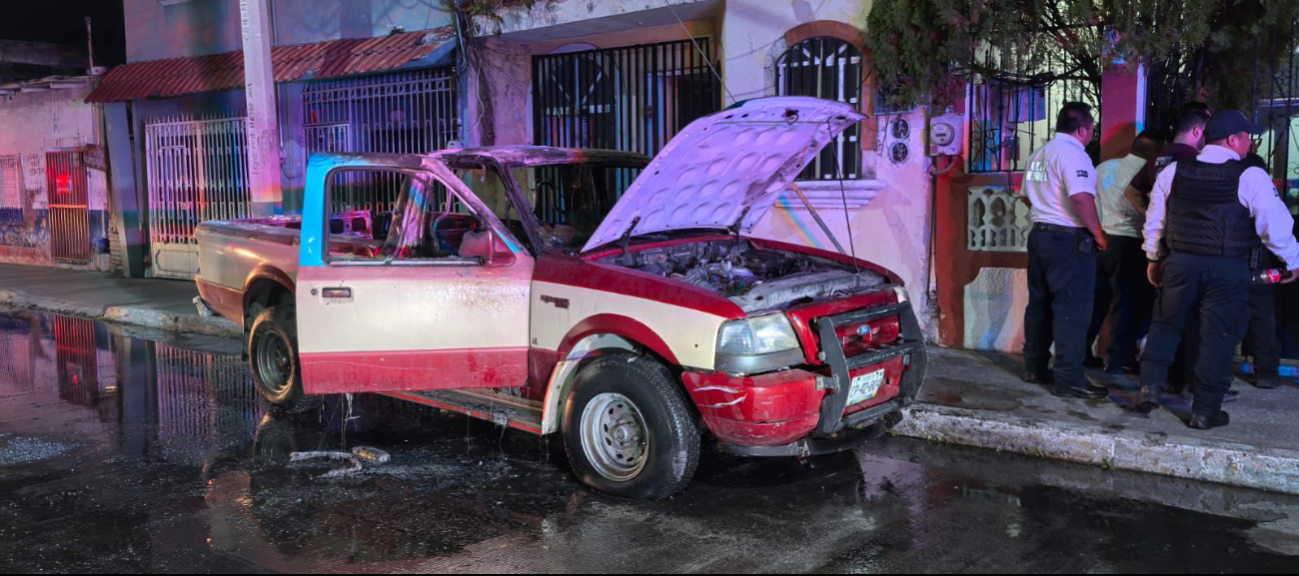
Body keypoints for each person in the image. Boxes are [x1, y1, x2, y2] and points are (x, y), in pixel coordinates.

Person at [1138, 110, 1299, 429]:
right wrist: (1292, 261)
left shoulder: (1173, 172)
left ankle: (1149, 389)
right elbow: (1275, 226)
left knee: (1166, 326)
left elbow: (1155, 219)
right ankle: (1204, 411)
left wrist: (1153, 258)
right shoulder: (1250, 175)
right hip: (1227, 269)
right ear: (1232, 139)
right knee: (1217, 336)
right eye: (1246, 138)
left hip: (1180, 263)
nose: (1249, 144)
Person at [1021, 102, 1110, 399]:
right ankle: (1069, 378)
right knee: (1072, 308)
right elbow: (1082, 199)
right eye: (1091, 129)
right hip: (1068, 241)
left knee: (1040, 303)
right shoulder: (1074, 155)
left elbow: (1025, 198)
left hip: (1040, 235)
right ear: (1083, 129)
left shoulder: (1039, 155)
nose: (1091, 134)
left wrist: (1047, 213)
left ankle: (1034, 366)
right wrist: (1098, 234)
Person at [1085, 131, 1161, 374]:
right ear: (1153, 153)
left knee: (1096, 302)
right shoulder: (1149, 172)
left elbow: (1091, 202)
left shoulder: (1104, 167)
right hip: (1130, 243)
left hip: (1102, 240)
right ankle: (1119, 359)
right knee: (1126, 304)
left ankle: (1083, 352)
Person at [1241, 151, 1284, 390]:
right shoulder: (1262, 186)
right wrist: (1290, 260)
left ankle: (1219, 371)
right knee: (1263, 316)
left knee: (1221, 319)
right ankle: (1266, 372)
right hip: (1257, 261)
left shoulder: (1226, 181)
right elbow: (1275, 224)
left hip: (1224, 263)